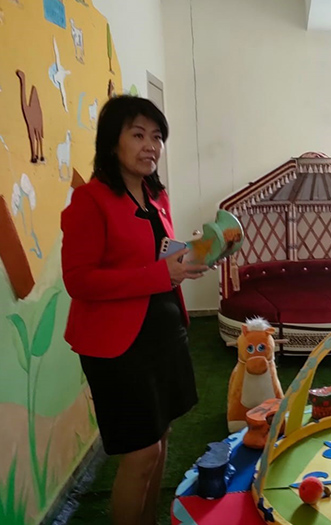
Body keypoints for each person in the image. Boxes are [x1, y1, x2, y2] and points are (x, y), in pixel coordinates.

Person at [62, 96, 208, 525]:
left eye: (157, 137)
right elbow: (80, 281)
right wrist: (161, 275)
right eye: (139, 135)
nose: (151, 146)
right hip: (117, 346)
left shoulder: (156, 195)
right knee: (141, 453)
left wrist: (186, 263)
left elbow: (155, 258)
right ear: (113, 142)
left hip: (163, 333)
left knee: (161, 438)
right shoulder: (89, 200)